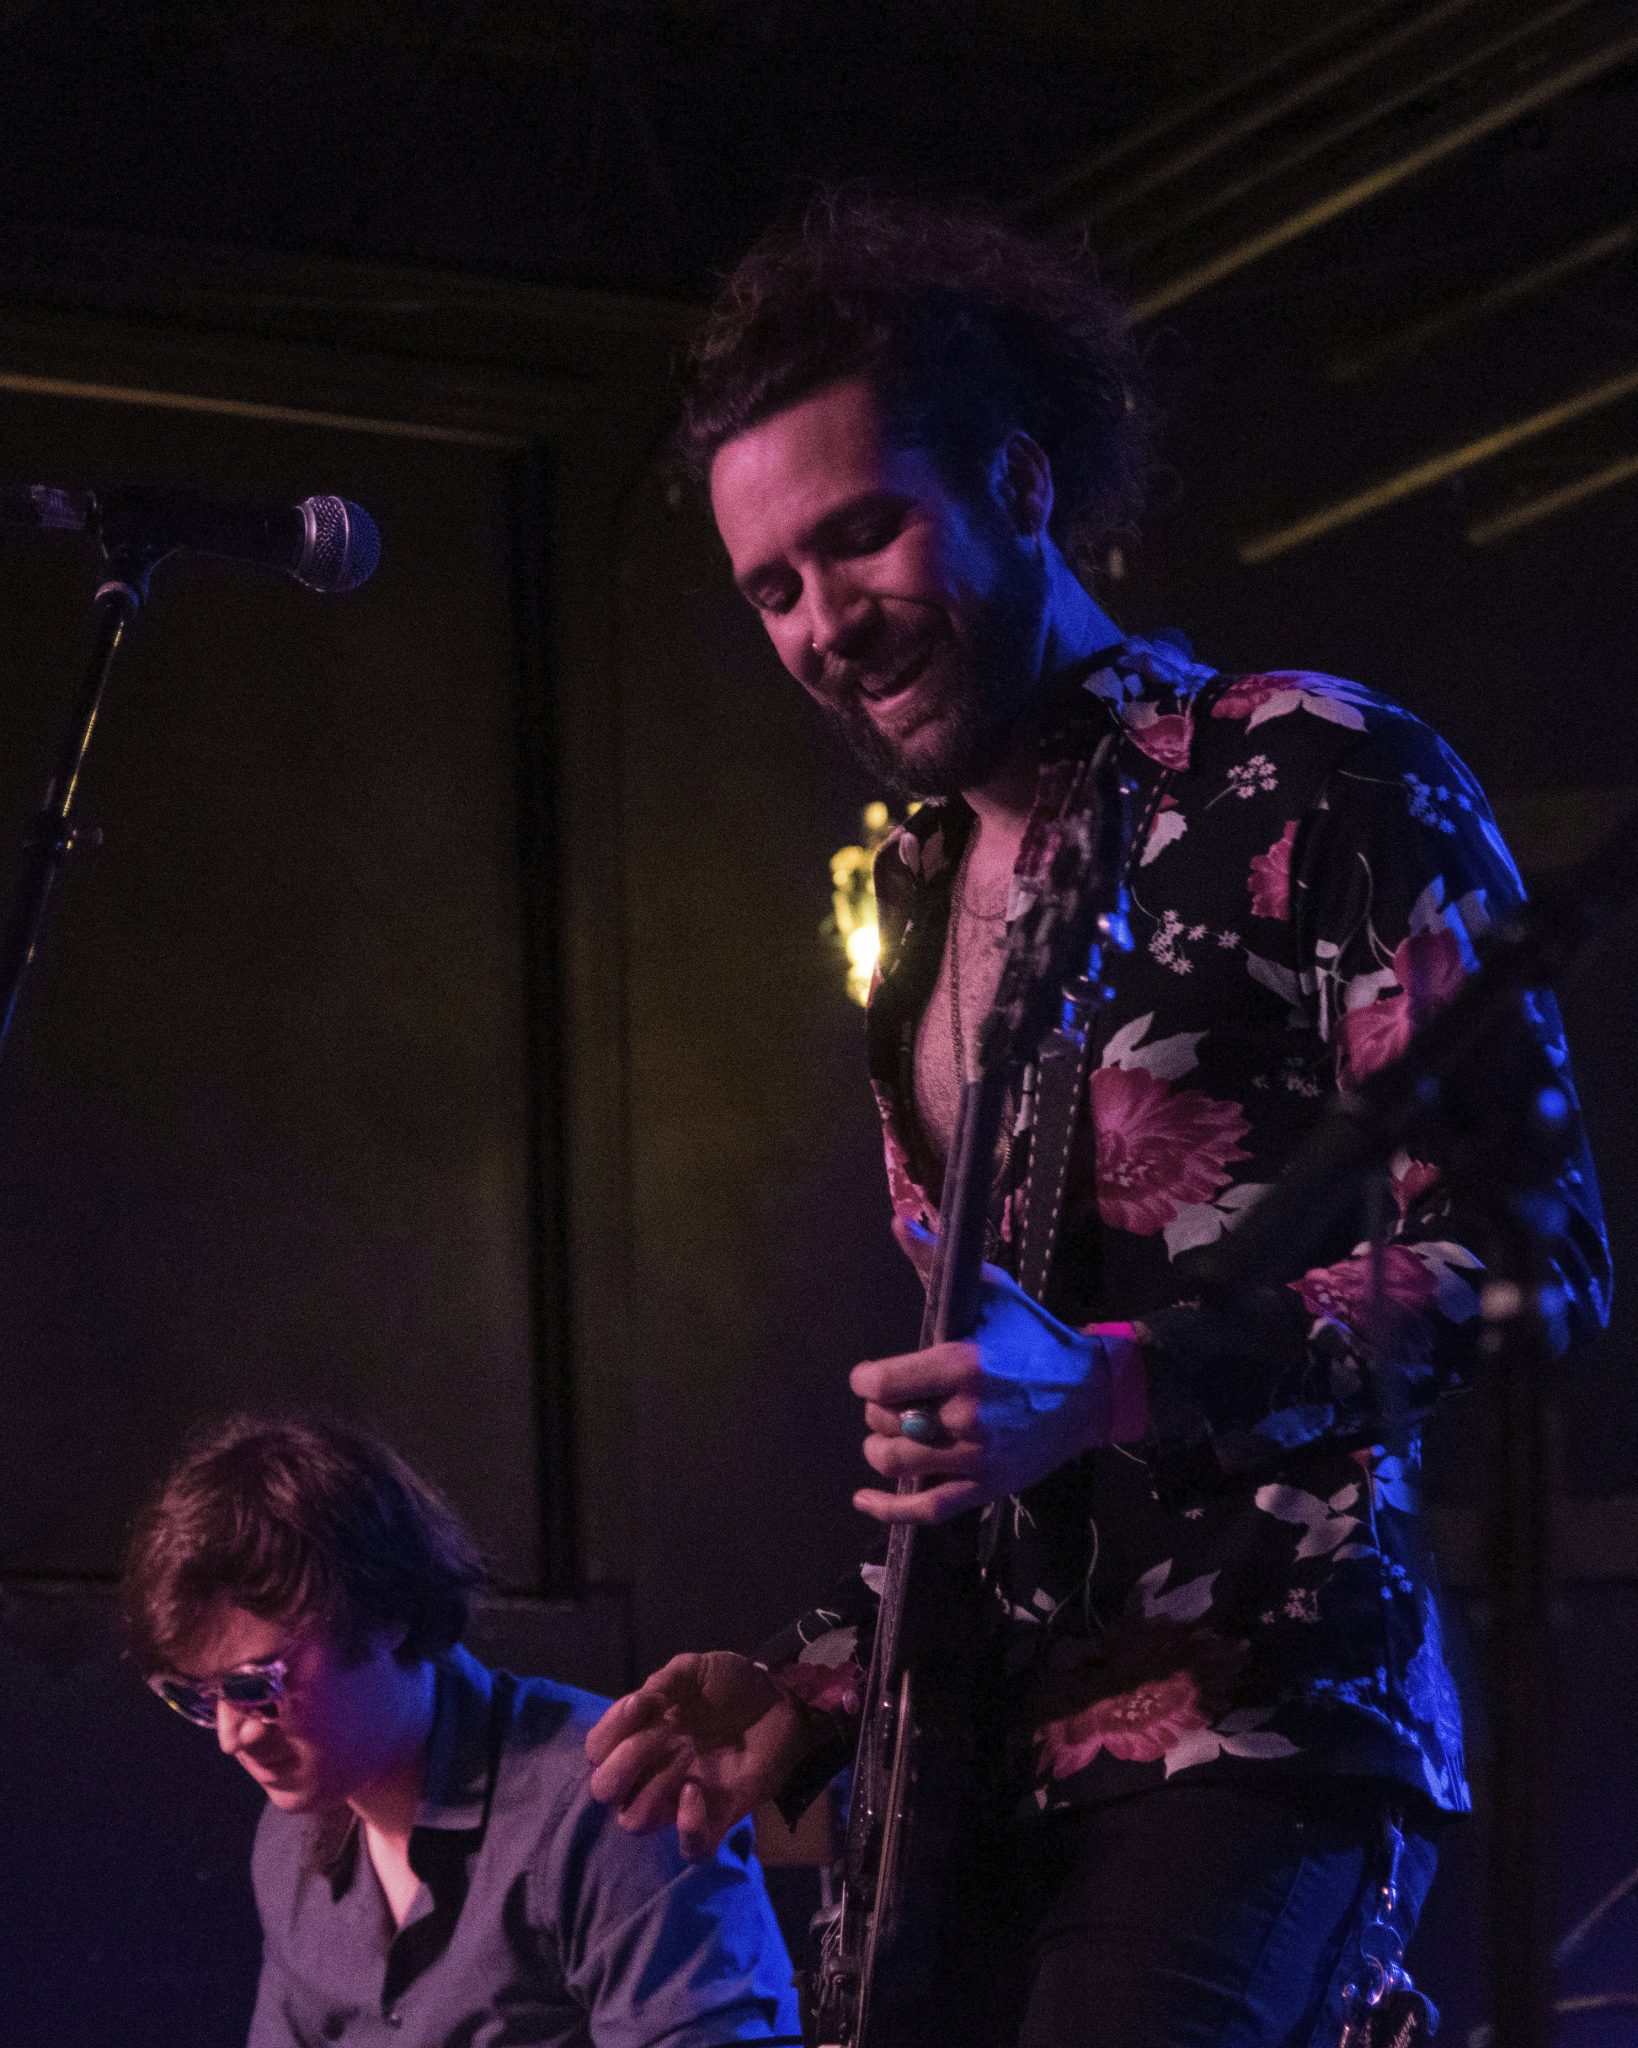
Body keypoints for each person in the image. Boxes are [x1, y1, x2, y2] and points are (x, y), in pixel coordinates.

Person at [583, 195, 1613, 2046]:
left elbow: (1529, 1249)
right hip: (975, 1770)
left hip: (1254, 1722)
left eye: (860, 534)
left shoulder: (1313, 769)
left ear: (1017, 481)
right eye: (770, 589)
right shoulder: (905, 911)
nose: (823, 624)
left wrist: (1118, 1384)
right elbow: (998, 1431)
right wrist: (811, 1690)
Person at [121, 1413, 801, 2048]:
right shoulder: (286, 1844)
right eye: (197, 1698)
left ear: (384, 1613)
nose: (232, 1736)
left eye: (255, 1686)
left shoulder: (606, 1804)